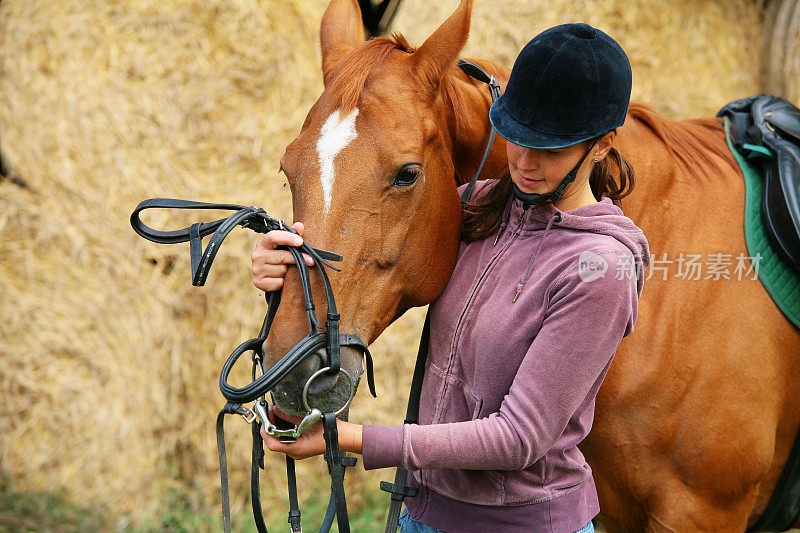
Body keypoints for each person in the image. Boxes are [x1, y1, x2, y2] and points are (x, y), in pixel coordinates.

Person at [251, 23, 650, 533]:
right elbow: (366, 240)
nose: (523, 164)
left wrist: (352, 439)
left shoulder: (600, 271)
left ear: (601, 146)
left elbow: (518, 439)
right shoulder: (477, 208)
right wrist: (283, 263)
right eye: (515, 138)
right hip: (423, 513)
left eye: (548, 149)